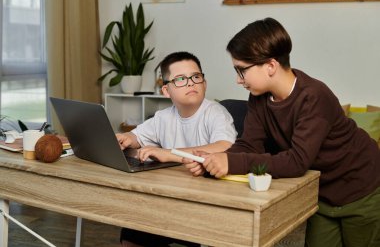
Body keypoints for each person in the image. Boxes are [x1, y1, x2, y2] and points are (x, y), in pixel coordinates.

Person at [184, 18, 380, 247]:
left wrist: (231, 162)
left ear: (270, 66)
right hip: (320, 194)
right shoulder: (259, 96)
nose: (238, 79)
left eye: (241, 70)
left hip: (362, 189)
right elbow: (249, 145)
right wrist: (213, 162)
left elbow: (297, 161)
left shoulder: (314, 96)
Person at [117, 51, 237, 247]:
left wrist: (169, 153)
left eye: (196, 77)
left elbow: (226, 146)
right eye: (180, 79)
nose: (190, 83)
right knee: (134, 228)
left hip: (206, 206)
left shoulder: (215, 113)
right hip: (169, 199)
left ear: (204, 84)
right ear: (166, 90)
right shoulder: (163, 117)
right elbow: (137, 136)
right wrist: (126, 138)